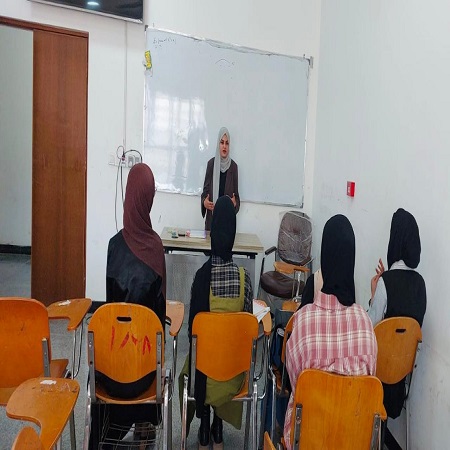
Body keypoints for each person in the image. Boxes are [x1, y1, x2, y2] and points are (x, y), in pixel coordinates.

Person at [283, 215, 377, 450]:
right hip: (353, 440)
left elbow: (295, 386)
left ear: (324, 258)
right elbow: (368, 387)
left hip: (308, 440)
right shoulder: (366, 325)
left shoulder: (303, 322)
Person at [91, 163, 166, 448]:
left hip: (111, 373)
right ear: (147, 198)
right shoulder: (156, 248)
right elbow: (159, 322)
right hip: (145, 376)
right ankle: (145, 431)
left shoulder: (113, 245)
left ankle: (110, 430)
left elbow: (111, 310)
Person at [180, 195, 253, 449]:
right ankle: (218, 426)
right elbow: (246, 333)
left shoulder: (201, 277)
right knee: (227, 353)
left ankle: (204, 426)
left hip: (204, 377)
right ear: (232, 234)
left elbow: (192, 333)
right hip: (232, 376)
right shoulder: (244, 279)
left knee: (197, 359)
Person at [368, 208, 426, 419]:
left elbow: (371, 330)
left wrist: (374, 294)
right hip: (403, 375)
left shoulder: (386, 283)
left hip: (378, 377)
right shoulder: (420, 284)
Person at [201, 127, 240, 231]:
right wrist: (204, 202)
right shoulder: (211, 164)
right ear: (218, 144)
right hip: (212, 220)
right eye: (222, 142)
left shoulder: (233, 167)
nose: (224, 146)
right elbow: (204, 193)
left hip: (227, 223)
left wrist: (234, 203)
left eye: (227, 143)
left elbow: (236, 197)